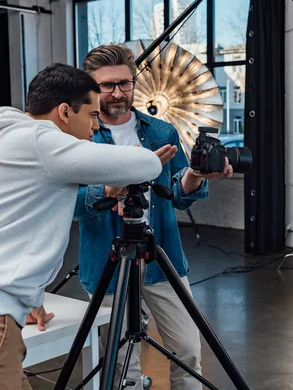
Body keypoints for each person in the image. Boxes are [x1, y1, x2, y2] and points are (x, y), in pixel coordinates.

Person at [74, 44, 232, 390]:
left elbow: (178, 194)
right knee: (118, 361)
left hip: (163, 256)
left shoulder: (162, 131)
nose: (118, 93)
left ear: (135, 83)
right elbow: (68, 204)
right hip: (106, 260)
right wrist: (106, 191)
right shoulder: (79, 138)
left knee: (189, 351)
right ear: (90, 86)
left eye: (125, 84)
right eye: (107, 85)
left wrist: (194, 177)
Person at [0, 63, 161, 390]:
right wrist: (143, 158)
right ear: (63, 112)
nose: (95, 125)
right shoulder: (42, 142)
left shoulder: (7, 132)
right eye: (90, 115)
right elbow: (146, 164)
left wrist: (23, 294)